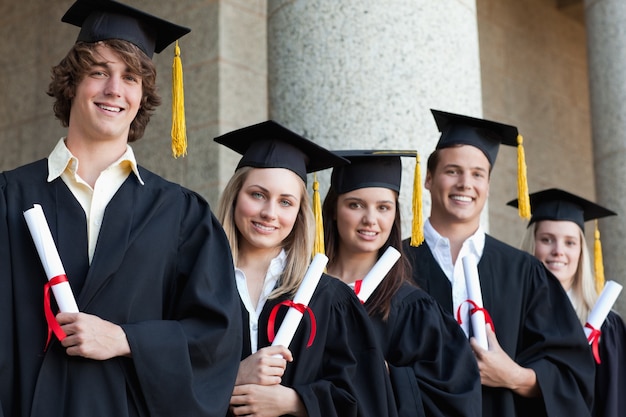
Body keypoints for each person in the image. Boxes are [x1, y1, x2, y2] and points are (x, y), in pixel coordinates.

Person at [0, 1, 243, 416]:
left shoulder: (181, 215)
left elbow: (213, 339)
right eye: (99, 72)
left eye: (130, 77)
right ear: (72, 83)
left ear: (142, 95)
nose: (115, 89)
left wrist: (125, 339)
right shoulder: (9, 198)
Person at [403, 109, 595, 417]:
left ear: (488, 186)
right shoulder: (394, 266)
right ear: (428, 178)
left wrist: (516, 377)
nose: (466, 183)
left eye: (478, 174)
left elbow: (572, 374)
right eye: (453, 171)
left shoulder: (525, 272)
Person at [214, 120, 398, 417]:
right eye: (257, 194)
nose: (269, 213)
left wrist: (297, 402)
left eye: (285, 202)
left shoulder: (329, 299)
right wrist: (234, 376)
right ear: (236, 196)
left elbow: (368, 399)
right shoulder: (196, 283)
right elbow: (159, 378)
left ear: (300, 213)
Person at [322, 149, 482, 417]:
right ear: (334, 210)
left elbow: (455, 401)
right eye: (355, 204)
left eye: (383, 207)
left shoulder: (412, 309)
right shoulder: (302, 294)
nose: (370, 219)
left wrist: (381, 373)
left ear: (395, 215)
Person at [510, 188, 626, 417]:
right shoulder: (510, 316)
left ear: (581, 252)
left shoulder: (607, 327)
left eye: (570, 243)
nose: (558, 251)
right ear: (532, 245)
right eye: (546, 240)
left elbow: (614, 403)